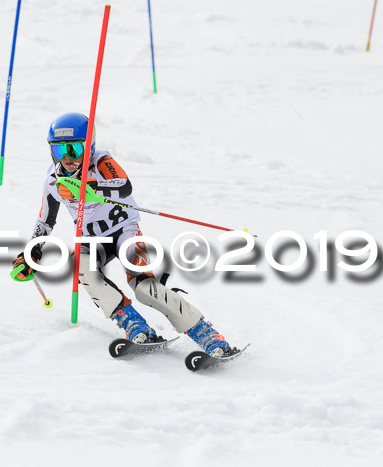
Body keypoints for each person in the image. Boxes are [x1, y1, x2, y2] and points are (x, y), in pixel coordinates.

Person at [12, 112, 238, 357]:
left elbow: (123, 184)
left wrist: (92, 187)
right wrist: (30, 252)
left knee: (145, 289)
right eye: (59, 151)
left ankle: (207, 334)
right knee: (80, 266)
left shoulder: (102, 163)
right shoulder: (52, 181)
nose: (68, 158)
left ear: (90, 146)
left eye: (75, 149)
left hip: (124, 231)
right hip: (92, 240)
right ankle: (133, 324)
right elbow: (45, 221)